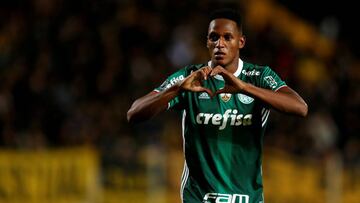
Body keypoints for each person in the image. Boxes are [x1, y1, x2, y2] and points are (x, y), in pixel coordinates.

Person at [127, 8, 308, 203]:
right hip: (199, 198)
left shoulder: (259, 76)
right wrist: (177, 90)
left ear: (241, 42)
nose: (219, 44)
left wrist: (245, 88)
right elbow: (134, 112)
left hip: (247, 198)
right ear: (207, 41)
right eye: (214, 37)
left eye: (227, 37)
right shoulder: (191, 77)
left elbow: (300, 107)